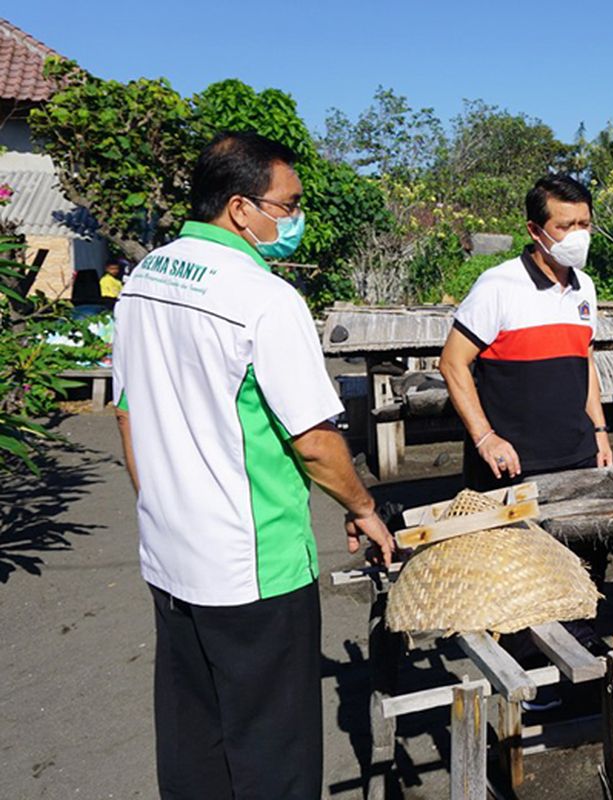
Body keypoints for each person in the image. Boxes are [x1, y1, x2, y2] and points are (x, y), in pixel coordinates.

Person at [112, 131, 396, 800]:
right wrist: (363, 509)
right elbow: (315, 441)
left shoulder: (145, 278)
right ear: (241, 208)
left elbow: (127, 413)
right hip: (253, 565)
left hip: (170, 552)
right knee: (275, 749)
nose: (295, 219)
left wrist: (160, 506)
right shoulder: (263, 298)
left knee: (193, 737)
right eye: (288, 204)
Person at [439, 174, 613, 491]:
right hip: (513, 462)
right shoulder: (498, 285)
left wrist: (600, 431)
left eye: (584, 224)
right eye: (564, 226)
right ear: (535, 230)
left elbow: (584, 360)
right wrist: (485, 438)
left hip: (579, 456)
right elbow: (452, 363)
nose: (578, 236)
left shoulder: (585, 286)